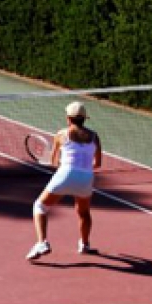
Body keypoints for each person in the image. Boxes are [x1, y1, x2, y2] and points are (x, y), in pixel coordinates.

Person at [26, 101, 102, 261]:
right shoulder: (95, 137)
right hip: (86, 177)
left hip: (65, 174)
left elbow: (54, 162)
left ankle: (42, 243)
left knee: (40, 206)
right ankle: (85, 244)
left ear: (68, 118)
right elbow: (98, 164)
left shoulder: (61, 134)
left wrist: (65, 165)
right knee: (83, 212)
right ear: (84, 119)